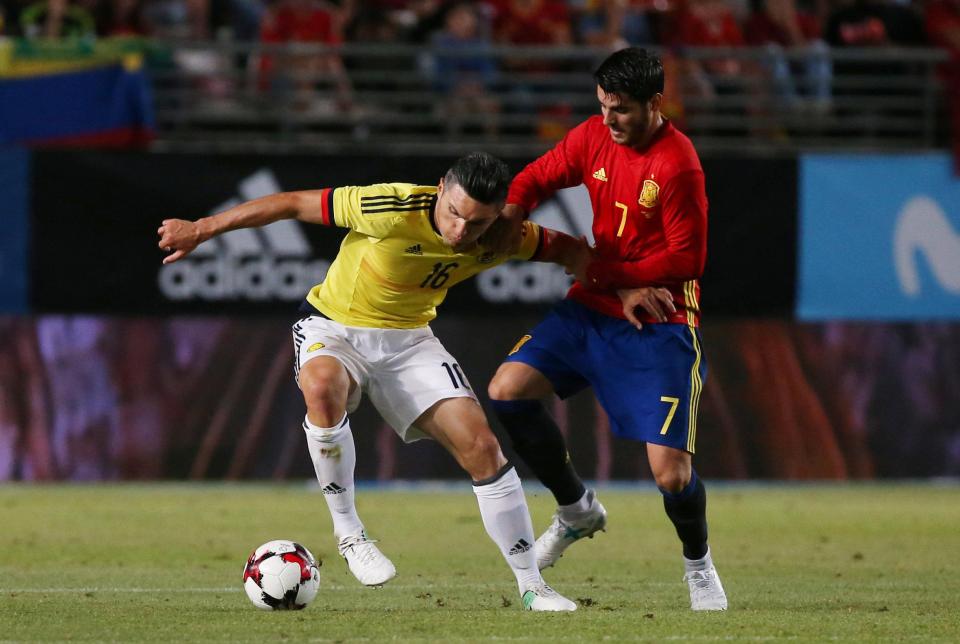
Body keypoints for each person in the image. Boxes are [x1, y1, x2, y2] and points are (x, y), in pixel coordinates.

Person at [157, 152, 583, 612]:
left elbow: (575, 252)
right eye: (454, 213)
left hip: (409, 342)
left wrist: (626, 285)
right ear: (440, 188)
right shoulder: (390, 207)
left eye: (477, 223)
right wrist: (202, 228)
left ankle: (532, 585)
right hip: (333, 326)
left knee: (483, 449)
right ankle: (349, 532)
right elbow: (292, 203)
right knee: (320, 387)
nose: (461, 231)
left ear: (497, 216)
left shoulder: (504, 236)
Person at [485, 47, 728, 611]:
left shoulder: (678, 164)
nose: (609, 120)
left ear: (655, 103)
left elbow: (686, 260)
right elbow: (539, 174)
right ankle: (575, 508)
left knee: (670, 475)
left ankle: (699, 566)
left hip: (662, 321)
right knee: (506, 391)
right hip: (593, 308)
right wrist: (515, 209)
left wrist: (603, 272)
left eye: (621, 109)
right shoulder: (593, 136)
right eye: (602, 107)